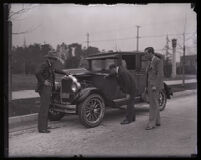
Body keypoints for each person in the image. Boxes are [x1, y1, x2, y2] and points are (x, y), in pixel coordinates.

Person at [35, 50, 68, 133]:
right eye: (53, 59)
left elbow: (56, 70)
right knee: (44, 108)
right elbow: (37, 73)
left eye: (55, 59)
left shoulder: (50, 65)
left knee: (46, 107)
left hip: (48, 88)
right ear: (49, 59)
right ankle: (42, 129)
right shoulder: (45, 65)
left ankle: (44, 126)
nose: (54, 61)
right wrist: (44, 81)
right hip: (44, 88)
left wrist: (65, 73)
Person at [144, 47, 164, 130]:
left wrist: (155, 85)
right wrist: (146, 86)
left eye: (146, 53)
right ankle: (157, 121)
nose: (145, 55)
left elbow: (160, 74)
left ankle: (151, 123)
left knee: (153, 104)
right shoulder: (150, 62)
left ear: (151, 53)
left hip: (154, 86)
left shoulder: (157, 61)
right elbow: (148, 75)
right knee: (155, 103)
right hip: (150, 86)